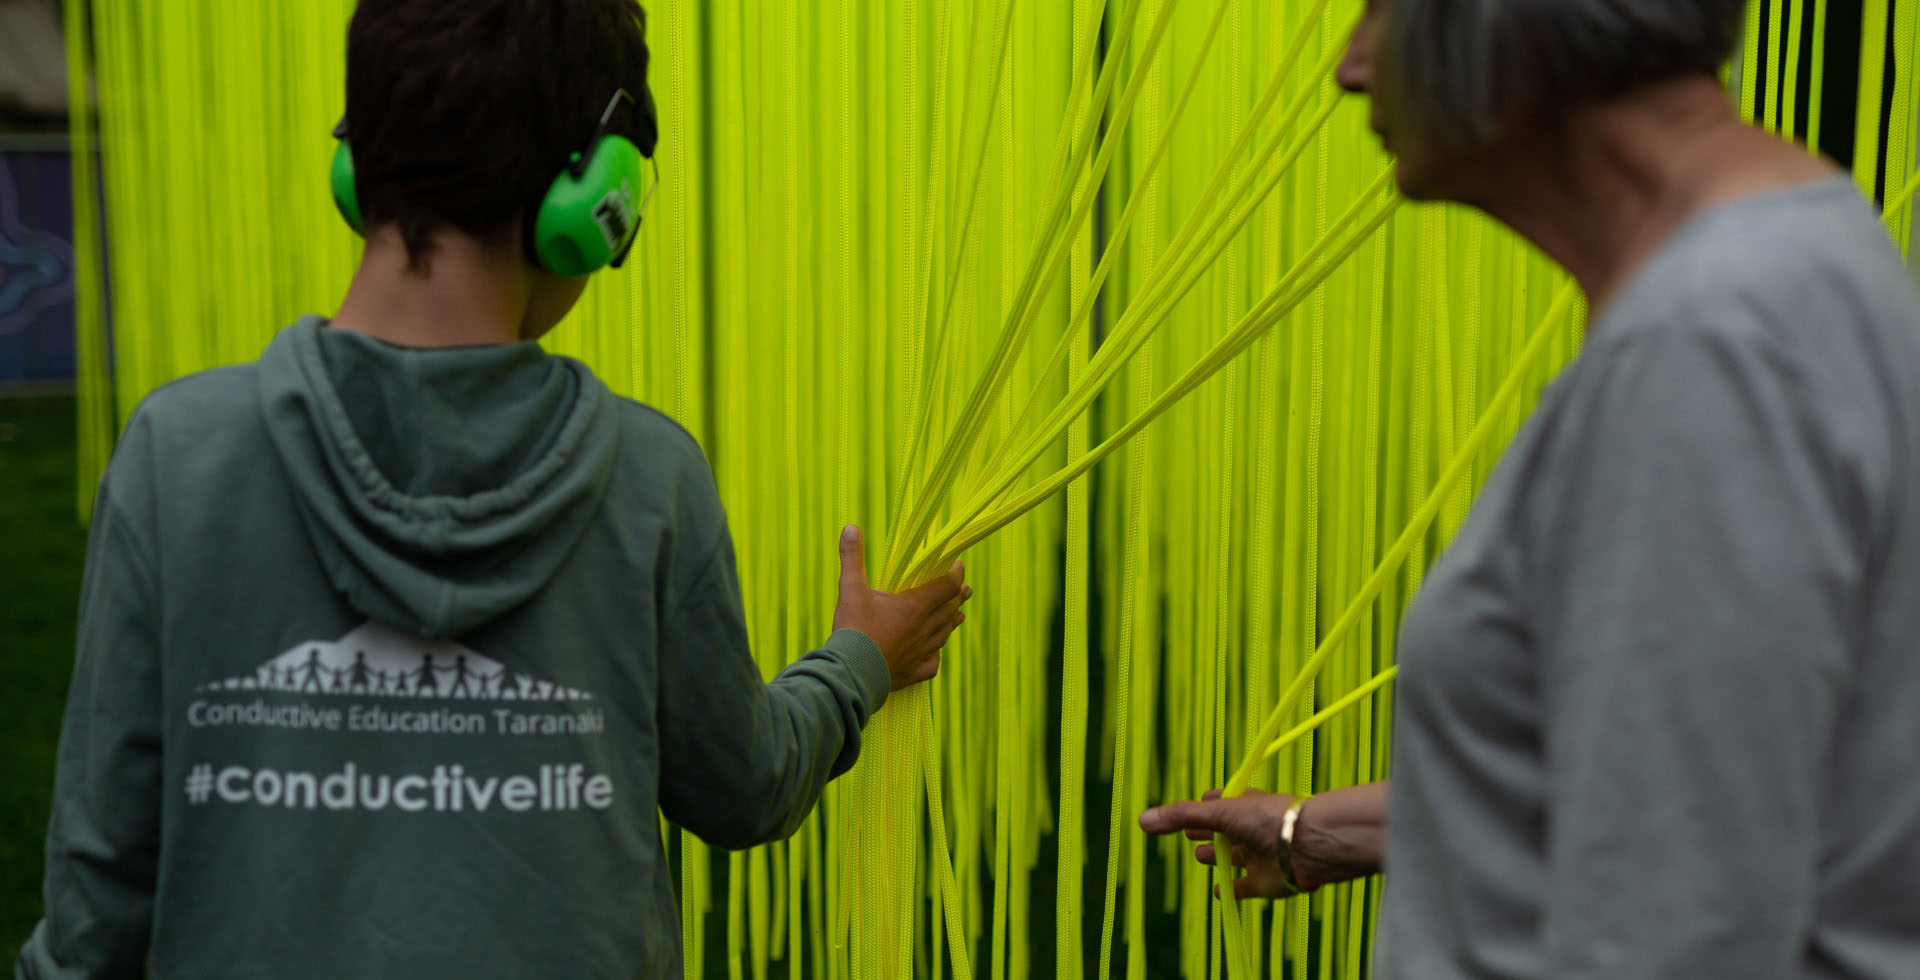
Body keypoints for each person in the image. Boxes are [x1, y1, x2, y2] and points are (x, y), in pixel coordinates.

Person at [16, 1, 969, 976]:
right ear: (594, 199)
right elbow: (745, 784)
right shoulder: (649, 480)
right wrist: (861, 659)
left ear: (356, 165)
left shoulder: (175, 456)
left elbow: (95, 910)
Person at [1142, 1, 1920, 976]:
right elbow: (1708, 790)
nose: (1348, 66)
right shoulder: (1796, 258)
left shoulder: (1711, 346)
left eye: (1380, 11)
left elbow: (1679, 936)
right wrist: (1335, 827)